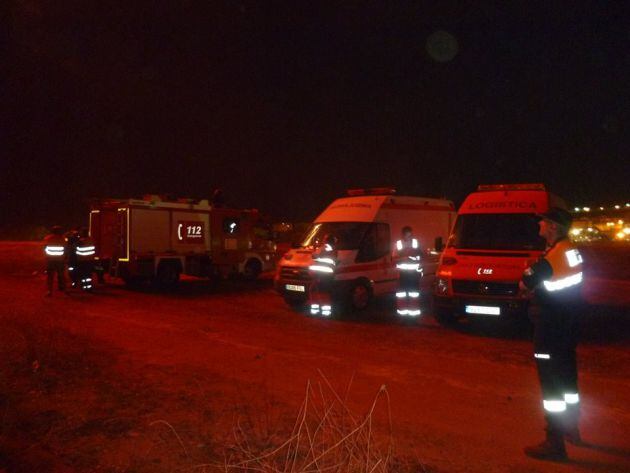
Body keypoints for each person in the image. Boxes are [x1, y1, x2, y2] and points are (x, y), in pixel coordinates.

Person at [520, 207, 584, 461]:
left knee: (551, 386)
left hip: (550, 326)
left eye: (543, 223)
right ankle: (571, 428)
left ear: (553, 227)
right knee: (568, 378)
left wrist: (529, 276)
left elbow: (525, 282)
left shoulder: (553, 257)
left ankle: (554, 442)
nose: (539, 226)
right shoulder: (571, 250)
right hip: (568, 323)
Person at [393, 226, 423, 317]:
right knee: (402, 295)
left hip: (413, 274)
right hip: (402, 274)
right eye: (406, 235)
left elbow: (421, 257)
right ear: (402, 235)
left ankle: (413, 317)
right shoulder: (398, 244)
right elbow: (394, 259)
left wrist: (420, 272)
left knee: (414, 295)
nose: (408, 237)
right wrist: (406, 257)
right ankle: (403, 316)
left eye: (410, 235)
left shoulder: (416, 243)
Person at [308, 234, 338, 317]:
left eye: (324, 239)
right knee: (321, 291)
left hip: (322, 274)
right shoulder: (333, 248)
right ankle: (321, 311)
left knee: (320, 292)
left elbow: (315, 256)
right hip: (325, 274)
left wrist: (314, 252)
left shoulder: (326, 247)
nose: (323, 240)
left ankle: (321, 311)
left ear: (327, 240)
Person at [43, 225, 67, 296]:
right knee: (61, 275)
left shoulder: (47, 238)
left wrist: (46, 257)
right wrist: (65, 258)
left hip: (50, 260)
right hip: (60, 260)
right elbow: (65, 249)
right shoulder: (63, 239)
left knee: (50, 276)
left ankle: (49, 291)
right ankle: (63, 289)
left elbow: (45, 248)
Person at [76, 227, 96, 291]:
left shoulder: (81, 241)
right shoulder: (91, 240)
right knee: (88, 274)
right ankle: (88, 286)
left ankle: (84, 286)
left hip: (82, 260)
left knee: (83, 274)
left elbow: (76, 249)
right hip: (90, 260)